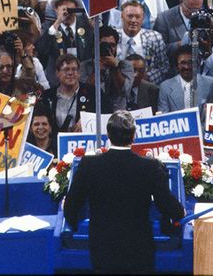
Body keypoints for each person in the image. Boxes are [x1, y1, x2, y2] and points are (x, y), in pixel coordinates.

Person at [64, 110, 185, 273]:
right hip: (139, 250)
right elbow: (167, 204)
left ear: (108, 135)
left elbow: (70, 207)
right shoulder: (149, 167)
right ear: (134, 135)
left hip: (102, 248)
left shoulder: (89, 164)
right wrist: (180, 212)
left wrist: (73, 224)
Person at [158, 45, 213, 113]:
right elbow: (164, 116)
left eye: (191, 62)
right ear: (177, 65)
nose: (187, 67)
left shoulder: (210, 84)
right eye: (183, 63)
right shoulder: (165, 87)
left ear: (198, 64)